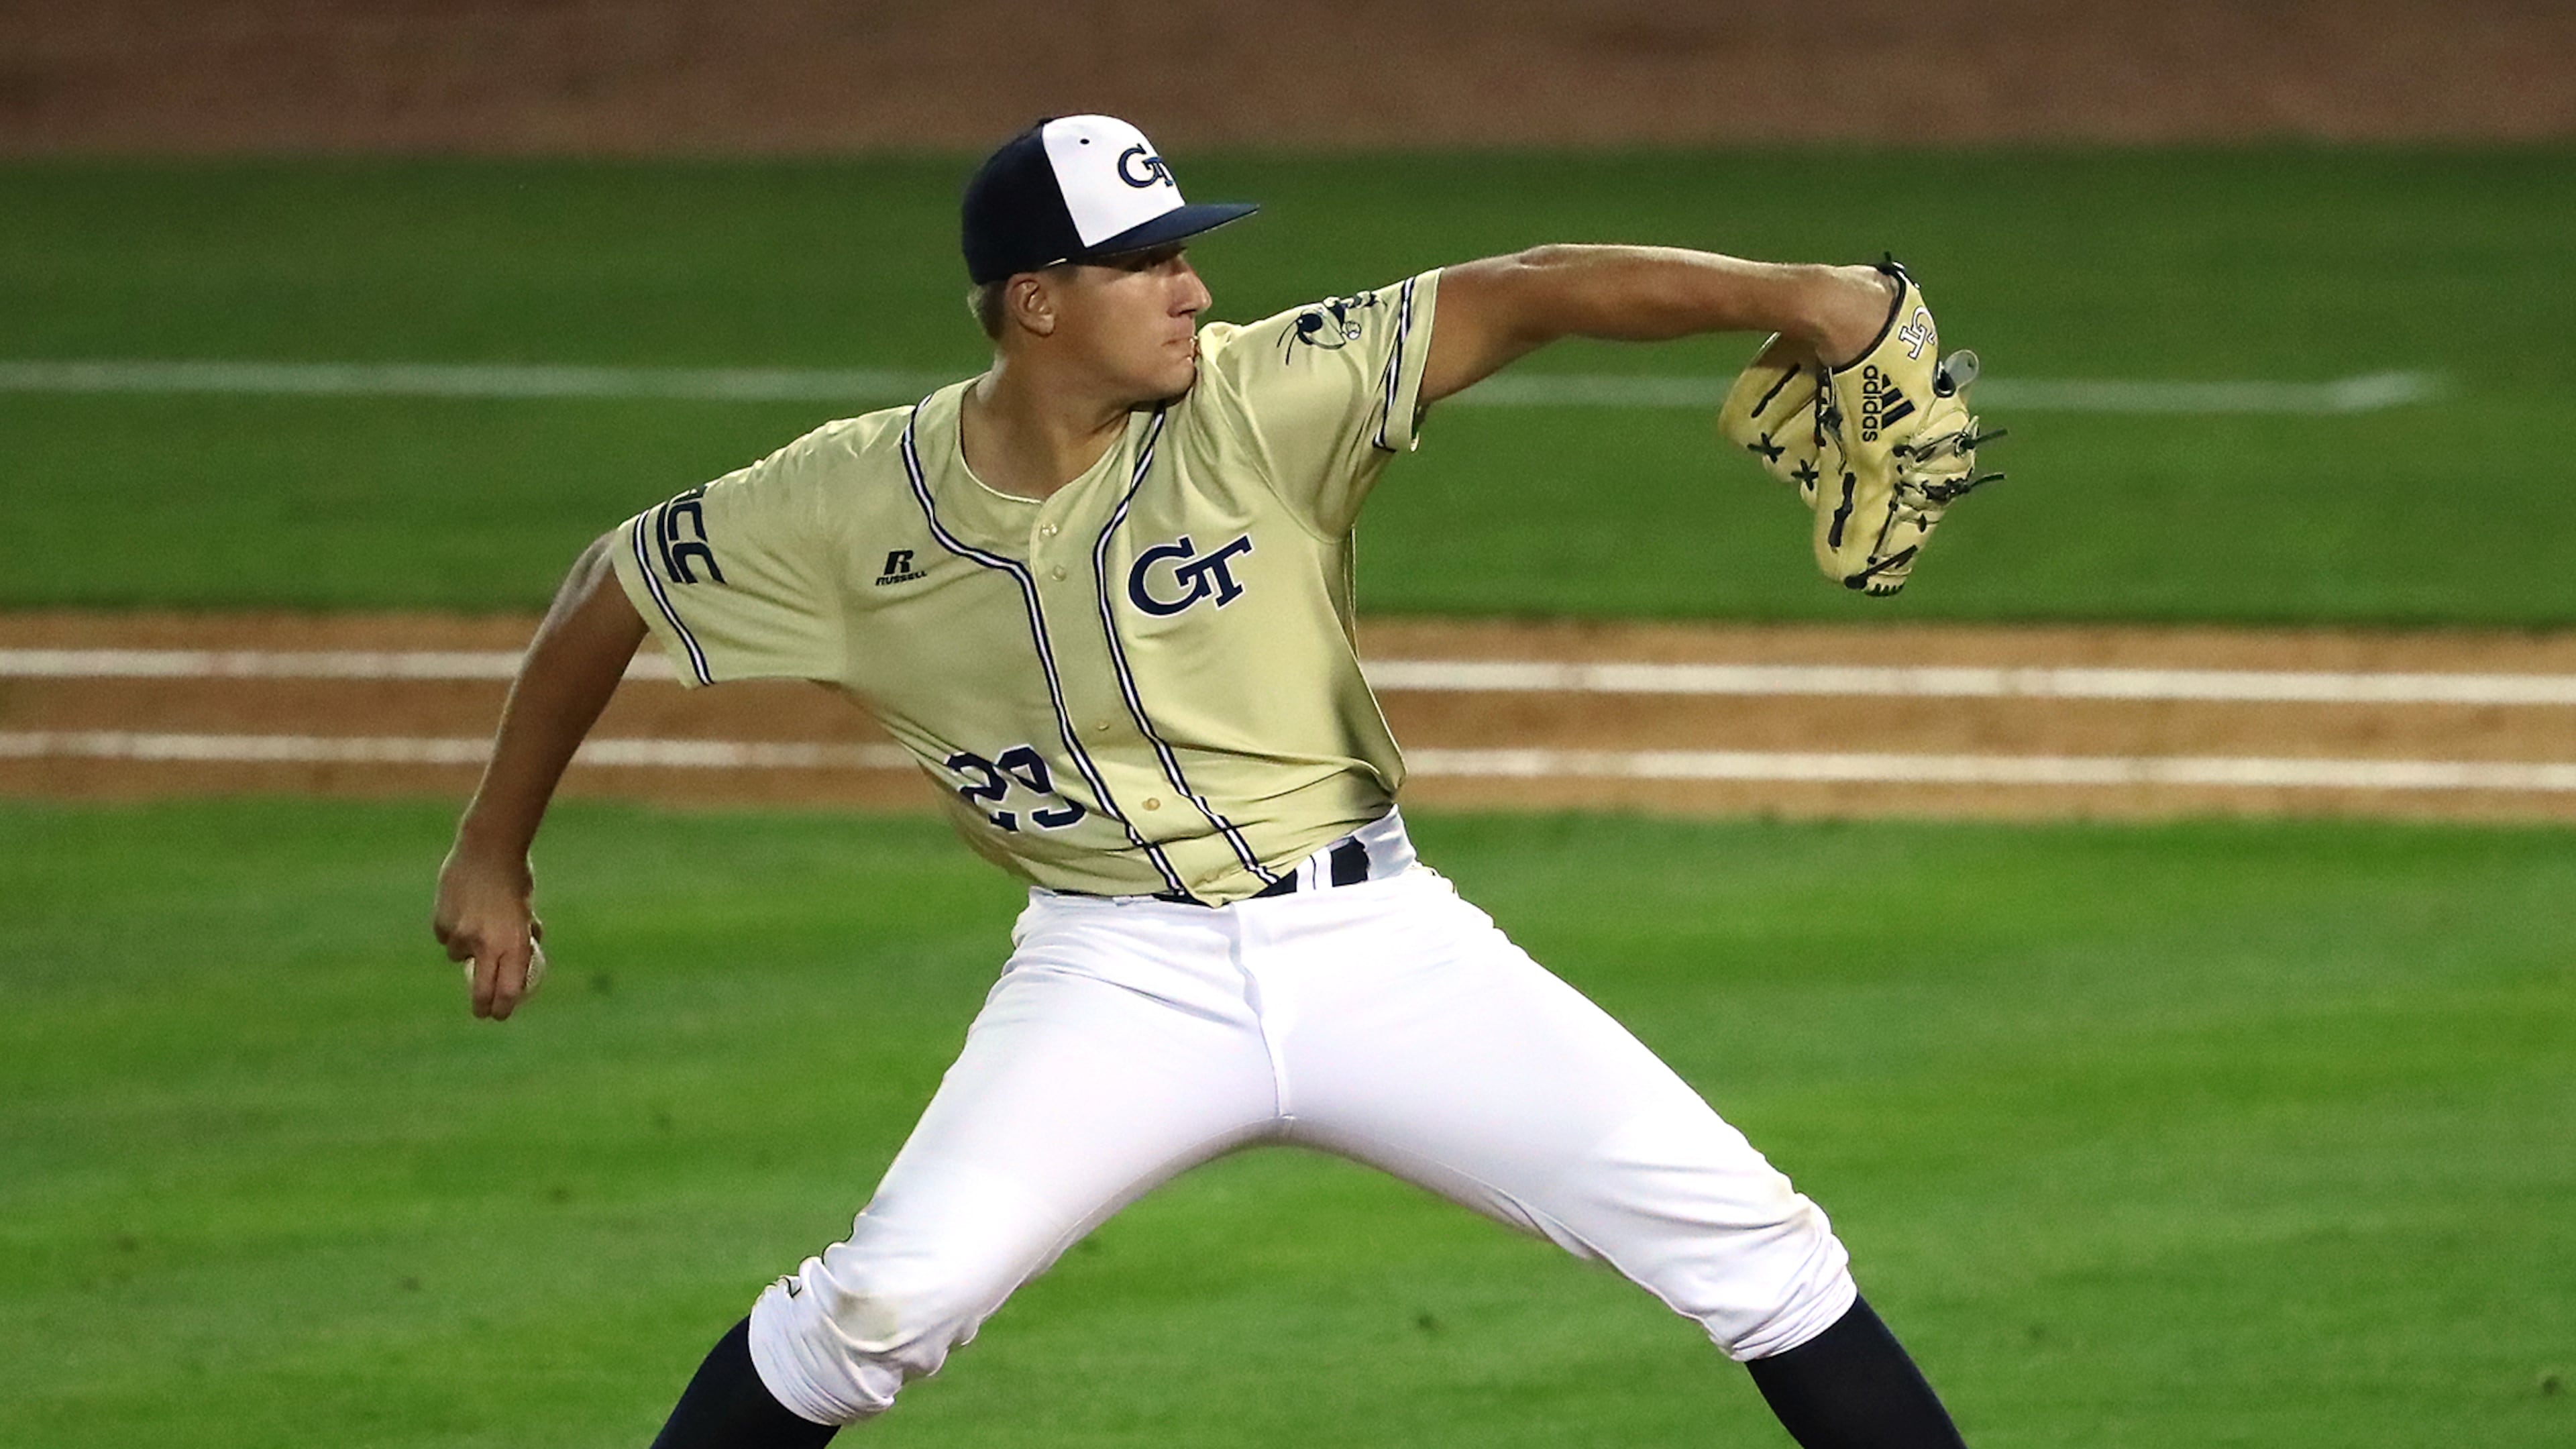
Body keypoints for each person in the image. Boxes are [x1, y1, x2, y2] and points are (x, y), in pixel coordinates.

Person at [433, 114, 1971, 1448]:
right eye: (1150, 262)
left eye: (1190, 251)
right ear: (1038, 303)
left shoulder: (1261, 398)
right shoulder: (843, 502)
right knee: (876, 1312)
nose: (1197, 288)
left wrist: (1809, 296)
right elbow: (613, 585)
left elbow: (1527, 291)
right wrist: (492, 851)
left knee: (1757, 1254)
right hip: (1116, 972)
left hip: (1381, 950)